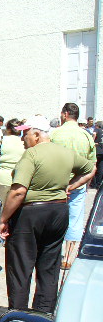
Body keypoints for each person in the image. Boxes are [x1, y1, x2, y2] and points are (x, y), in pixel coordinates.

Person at [0, 115, 94, 313]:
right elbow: (90, 169)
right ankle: (44, 314)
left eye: (25, 133)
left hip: (30, 214)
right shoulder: (65, 153)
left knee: (20, 268)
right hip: (58, 211)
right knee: (49, 267)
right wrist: (69, 186)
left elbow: (18, 192)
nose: (23, 138)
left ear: (36, 135)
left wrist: (3, 219)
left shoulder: (31, 155)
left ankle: (18, 316)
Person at [50, 102, 96, 269]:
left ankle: (51, 254)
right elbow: (92, 165)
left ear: (65, 114)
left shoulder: (55, 134)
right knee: (75, 220)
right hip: (78, 183)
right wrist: (83, 183)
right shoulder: (86, 136)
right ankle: (68, 258)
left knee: (53, 219)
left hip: (56, 183)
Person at [0, 118, 25, 202]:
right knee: (14, 204)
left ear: (8, 129)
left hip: (0, 177)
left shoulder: (1, 139)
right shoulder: (23, 141)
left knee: (1, 202)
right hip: (18, 177)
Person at [93, 121, 103, 188]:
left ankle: (93, 184)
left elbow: (94, 134)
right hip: (102, 151)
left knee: (93, 166)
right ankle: (98, 183)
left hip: (97, 150)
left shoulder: (97, 129)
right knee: (100, 168)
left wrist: (92, 141)